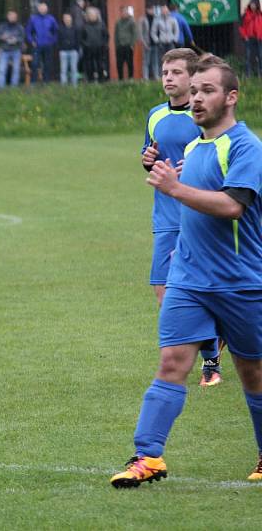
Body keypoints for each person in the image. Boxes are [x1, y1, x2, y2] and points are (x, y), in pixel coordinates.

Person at [110, 55, 262, 488]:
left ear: (231, 97)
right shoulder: (194, 148)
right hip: (190, 280)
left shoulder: (247, 146)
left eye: (206, 90)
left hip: (241, 282)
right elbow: (192, 208)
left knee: (253, 374)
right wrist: (183, 246)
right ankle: (147, 457)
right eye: (193, 91)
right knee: (172, 362)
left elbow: (234, 206)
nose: (196, 98)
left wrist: (176, 188)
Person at [140, 48, 223, 387]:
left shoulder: (204, 115)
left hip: (198, 216)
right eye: (165, 72)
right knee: (163, 292)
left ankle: (210, 361)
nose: (169, 78)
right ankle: (209, 343)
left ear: (193, 79)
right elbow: (150, 154)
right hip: (165, 217)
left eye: (176, 72)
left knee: (197, 289)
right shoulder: (155, 115)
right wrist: (147, 159)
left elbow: (221, 157)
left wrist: (200, 169)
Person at [26, 2, 58, 83]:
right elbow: (28, 32)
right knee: (35, 64)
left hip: (48, 45)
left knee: (47, 64)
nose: (43, 9)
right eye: (41, 8)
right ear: (38, 9)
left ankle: (46, 82)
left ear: (47, 9)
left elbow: (56, 31)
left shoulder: (51, 18)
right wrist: (31, 41)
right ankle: (33, 82)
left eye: (44, 8)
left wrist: (52, 41)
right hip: (37, 45)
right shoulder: (33, 18)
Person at [0, 10, 25, 88]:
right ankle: (0, 88)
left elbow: (22, 38)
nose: (13, 18)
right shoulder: (2, 26)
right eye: (11, 16)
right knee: (2, 70)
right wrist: (3, 37)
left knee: (16, 70)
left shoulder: (19, 27)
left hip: (16, 50)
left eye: (14, 17)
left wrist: (16, 40)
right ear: (8, 17)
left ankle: (14, 87)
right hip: (4, 50)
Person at [81, 7, 108, 82]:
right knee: (89, 65)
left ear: (96, 15)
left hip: (99, 48)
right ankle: (90, 81)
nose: (92, 16)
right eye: (90, 15)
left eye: (93, 14)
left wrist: (103, 44)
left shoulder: (102, 25)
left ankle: (101, 80)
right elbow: (82, 38)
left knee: (100, 65)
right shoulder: (84, 26)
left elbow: (106, 36)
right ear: (88, 16)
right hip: (88, 49)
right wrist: (86, 45)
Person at [114, 6, 138, 81]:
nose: (123, 13)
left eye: (125, 12)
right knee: (119, 64)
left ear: (127, 12)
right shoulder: (118, 22)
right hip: (120, 46)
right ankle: (120, 79)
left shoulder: (132, 21)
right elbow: (116, 34)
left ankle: (131, 78)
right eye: (122, 12)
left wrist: (132, 44)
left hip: (128, 46)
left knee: (129, 63)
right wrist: (116, 45)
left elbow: (134, 34)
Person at [240, 0, 262, 78]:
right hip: (249, 38)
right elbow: (242, 27)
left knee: (260, 56)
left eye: (254, 4)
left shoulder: (260, 14)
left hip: (259, 38)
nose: (253, 6)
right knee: (248, 57)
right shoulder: (246, 15)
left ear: (257, 5)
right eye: (251, 4)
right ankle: (248, 75)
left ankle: (260, 74)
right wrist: (245, 36)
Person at [58, 13, 80, 86]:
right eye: (65, 18)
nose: (67, 20)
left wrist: (76, 49)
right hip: (63, 51)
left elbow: (77, 39)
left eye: (68, 18)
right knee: (63, 70)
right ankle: (64, 86)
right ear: (63, 20)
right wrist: (60, 48)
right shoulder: (60, 28)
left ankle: (74, 85)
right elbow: (58, 40)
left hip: (73, 51)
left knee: (74, 69)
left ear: (71, 19)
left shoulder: (75, 28)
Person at [139, 5, 160, 80]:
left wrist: (158, 40)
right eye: (151, 9)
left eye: (153, 9)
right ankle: (145, 77)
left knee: (155, 61)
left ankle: (156, 76)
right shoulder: (142, 19)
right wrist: (143, 43)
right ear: (147, 10)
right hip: (147, 43)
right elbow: (140, 33)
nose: (153, 11)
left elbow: (159, 31)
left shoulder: (156, 19)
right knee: (146, 61)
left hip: (155, 43)